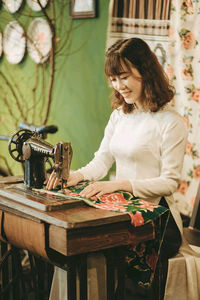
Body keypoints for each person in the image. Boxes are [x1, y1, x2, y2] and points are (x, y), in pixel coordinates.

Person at [46, 38, 188, 299]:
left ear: (144, 71)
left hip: (158, 218)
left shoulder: (171, 122)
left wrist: (116, 185)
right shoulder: (120, 116)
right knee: (80, 252)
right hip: (121, 210)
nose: (118, 86)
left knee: (98, 254)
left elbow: (168, 183)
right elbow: (102, 161)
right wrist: (72, 177)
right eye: (113, 79)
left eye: (124, 77)